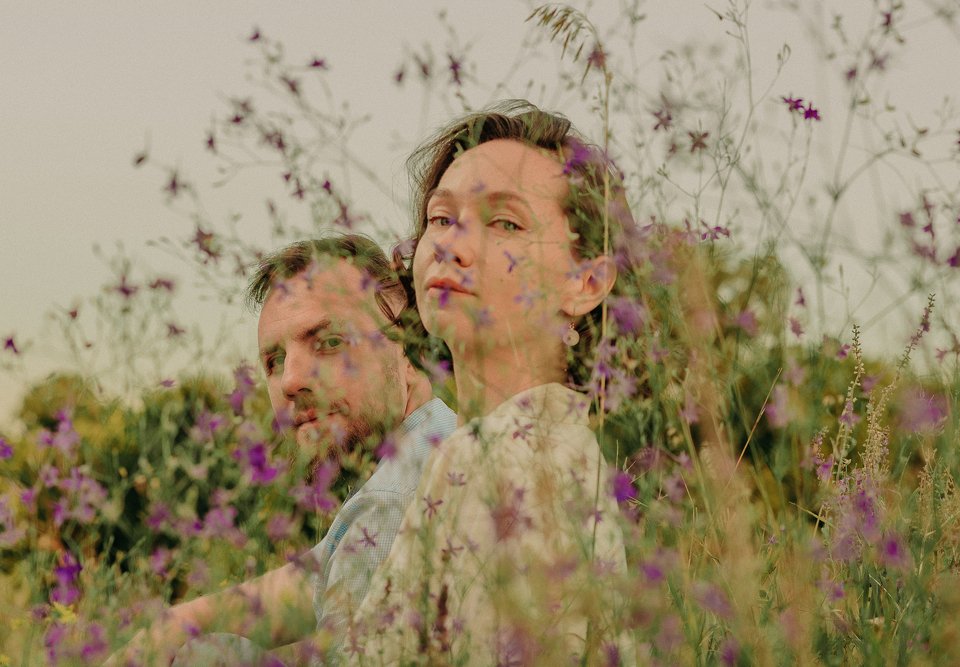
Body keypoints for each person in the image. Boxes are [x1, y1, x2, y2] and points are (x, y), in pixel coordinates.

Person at [338, 102, 635, 664]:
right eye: (440, 218)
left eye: (506, 223)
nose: (452, 244)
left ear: (586, 282)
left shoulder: (511, 462)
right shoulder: (516, 448)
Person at [109, 234, 456, 665]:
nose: (290, 381)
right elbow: (316, 576)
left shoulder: (394, 501)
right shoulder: (437, 441)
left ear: (410, 349)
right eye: (274, 361)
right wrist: (173, 624)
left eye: (329, 342)